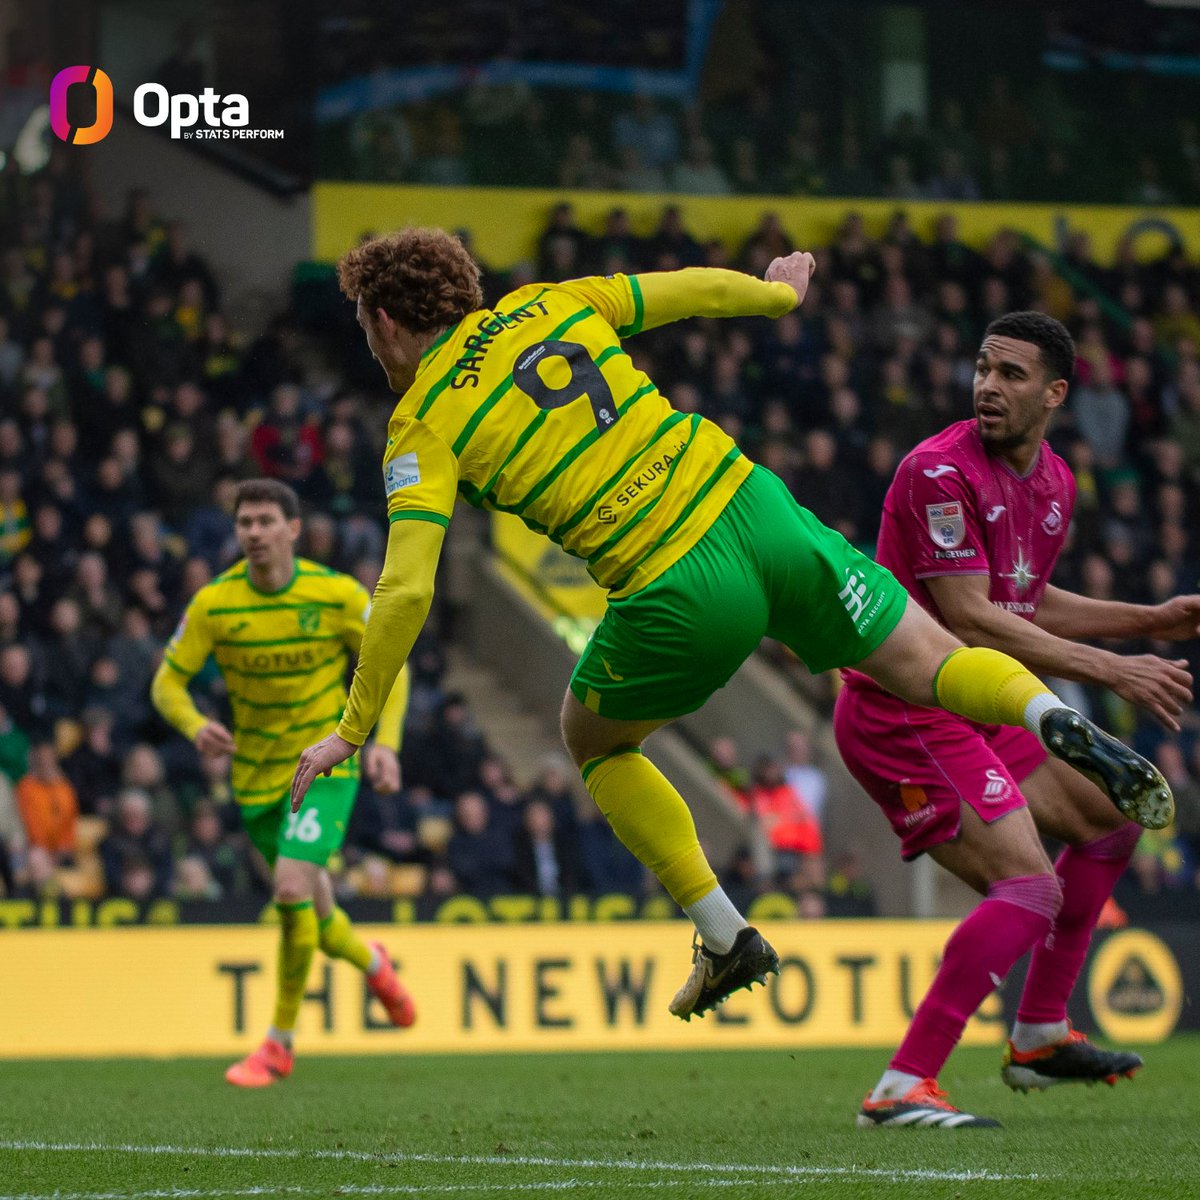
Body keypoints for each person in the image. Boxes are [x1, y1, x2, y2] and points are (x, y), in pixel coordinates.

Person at [290, 228, 1171, 1032]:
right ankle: (1050, 716)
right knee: (930, 659)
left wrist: (352, 725)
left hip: (676, 584)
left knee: (592, 738)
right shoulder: (549, 303)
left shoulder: (418, 425)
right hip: (756, 506)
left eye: (366, 329)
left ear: (383, 319)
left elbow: (405, 590)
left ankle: (722, 933)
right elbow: (684, 290)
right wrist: (775, 295)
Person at [834, 311, 1198, 1129]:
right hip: (906, 708)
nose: (988, 386)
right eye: (983, 369)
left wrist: (1150, 620)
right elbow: (969, 618)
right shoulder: (938, 472)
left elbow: (1024, 601)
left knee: (1112, 815)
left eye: (1012, 375)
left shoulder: (1056, 482)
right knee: (1028, 888)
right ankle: (903, 1086)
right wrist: (1116, 669)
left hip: (974, 701)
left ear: (1056, 393)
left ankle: (1038, 1033)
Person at [151, 478, 415, 1088]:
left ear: (293, 529)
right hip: (256, 781)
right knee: (316, 920)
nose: (254, 532)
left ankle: (278, 1044)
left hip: (325, 765)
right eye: (245, 522)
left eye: (266, 521)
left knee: (291, 887)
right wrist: (194, 726)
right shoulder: (216, 605)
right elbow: (165, 684)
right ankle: (372, 961)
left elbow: (390, 667)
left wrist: (386, 745)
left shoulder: (336, 594)